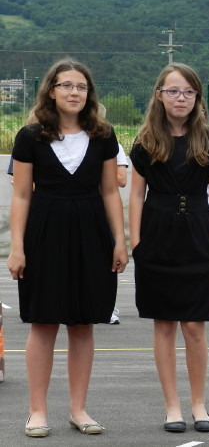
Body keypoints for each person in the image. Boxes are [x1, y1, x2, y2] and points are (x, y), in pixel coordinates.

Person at [7, 59, 128, 438]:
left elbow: (110, 192)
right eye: (66, 85)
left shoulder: (104, 136)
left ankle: (79, 410)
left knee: (82, 323)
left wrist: (120, 241)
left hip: (92, 235)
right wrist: (16, 247)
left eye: (81, 86)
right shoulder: (29, 137)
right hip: (44, 234)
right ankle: (37, 411)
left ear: (89, 94)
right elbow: (21, 196)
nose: (74, 92)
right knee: (43, 323)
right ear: (51, 90)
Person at [129, 63, 209, 434]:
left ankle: (199, 403)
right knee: (164, 325)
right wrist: (136, 242)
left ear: (197, 97)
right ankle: (172, 405)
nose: (180, 98)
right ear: (159, 95)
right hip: (157, 234)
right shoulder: (146, 141)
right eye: (173, 91)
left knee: (195, 327)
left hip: (198, 234)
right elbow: (136, 194)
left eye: (188, 91)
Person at [98, 103, 128, 324]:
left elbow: (122, 180)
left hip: (103, 210)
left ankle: (108, 306)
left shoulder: (113, 145)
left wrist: (98, 169)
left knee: (105, 259)